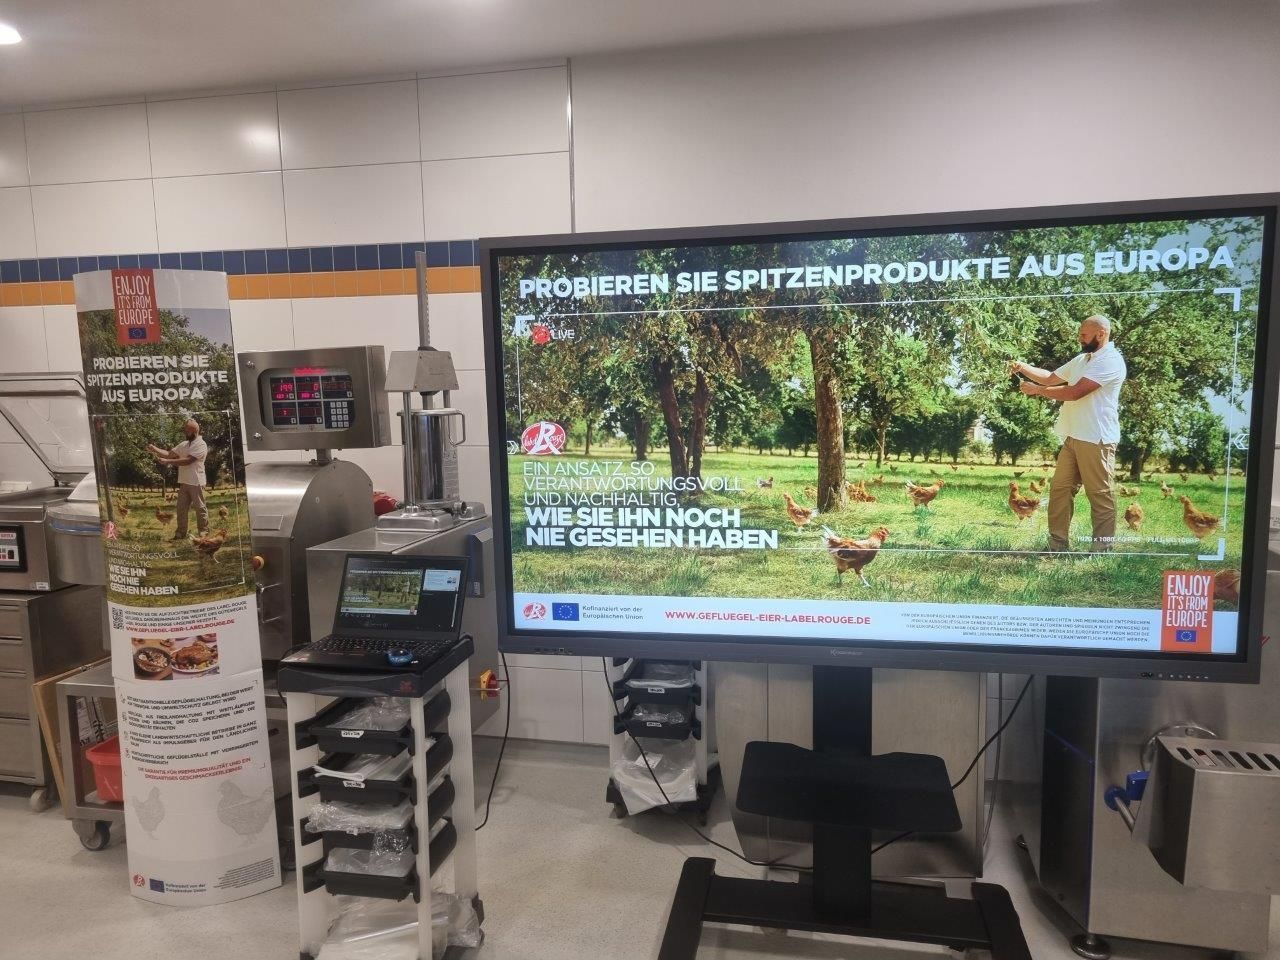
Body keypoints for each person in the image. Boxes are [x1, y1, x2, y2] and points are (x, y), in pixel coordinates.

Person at [1009, 315, 1127, 552]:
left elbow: (1075, 392)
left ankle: (1101, 551)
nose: (1079, 338)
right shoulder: (1084, 359)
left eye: (1084, 335)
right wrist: (1022, 367)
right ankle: (1057, 546)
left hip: (1097, 439)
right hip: (1073, 437)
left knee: (1100, 495)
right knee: (1060, 491)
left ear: (1101, 334)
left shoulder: (1110, 361)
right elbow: (1051, 377)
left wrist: (1038, 391)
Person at [148, 419, 209, 540]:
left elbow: (188, 461)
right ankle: (180, 533)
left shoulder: (201, 444)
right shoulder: (184, 444)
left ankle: (203, 531)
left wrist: (168, 462)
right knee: (181, 509)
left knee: (200, 508)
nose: (185, 432)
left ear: (194, 431)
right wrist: (154, 448)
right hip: (184, 482)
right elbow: (168, 453)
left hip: (196, 481)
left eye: (186, 430)